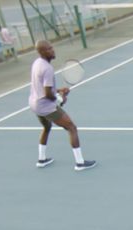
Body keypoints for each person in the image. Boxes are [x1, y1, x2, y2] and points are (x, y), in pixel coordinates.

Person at [29, 40, 96, 171]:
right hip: (45, 106)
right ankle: (80, 163)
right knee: (72, 128)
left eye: (52, 47)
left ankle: (41, 160)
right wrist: (60, 98)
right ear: (42, 52)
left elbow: (43, 87)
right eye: (49, 49)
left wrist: (58, 90)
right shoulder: (48, 69)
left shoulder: (37, 63)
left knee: (46, 127)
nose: (52, 50)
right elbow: (48, 94)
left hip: (34, 104)